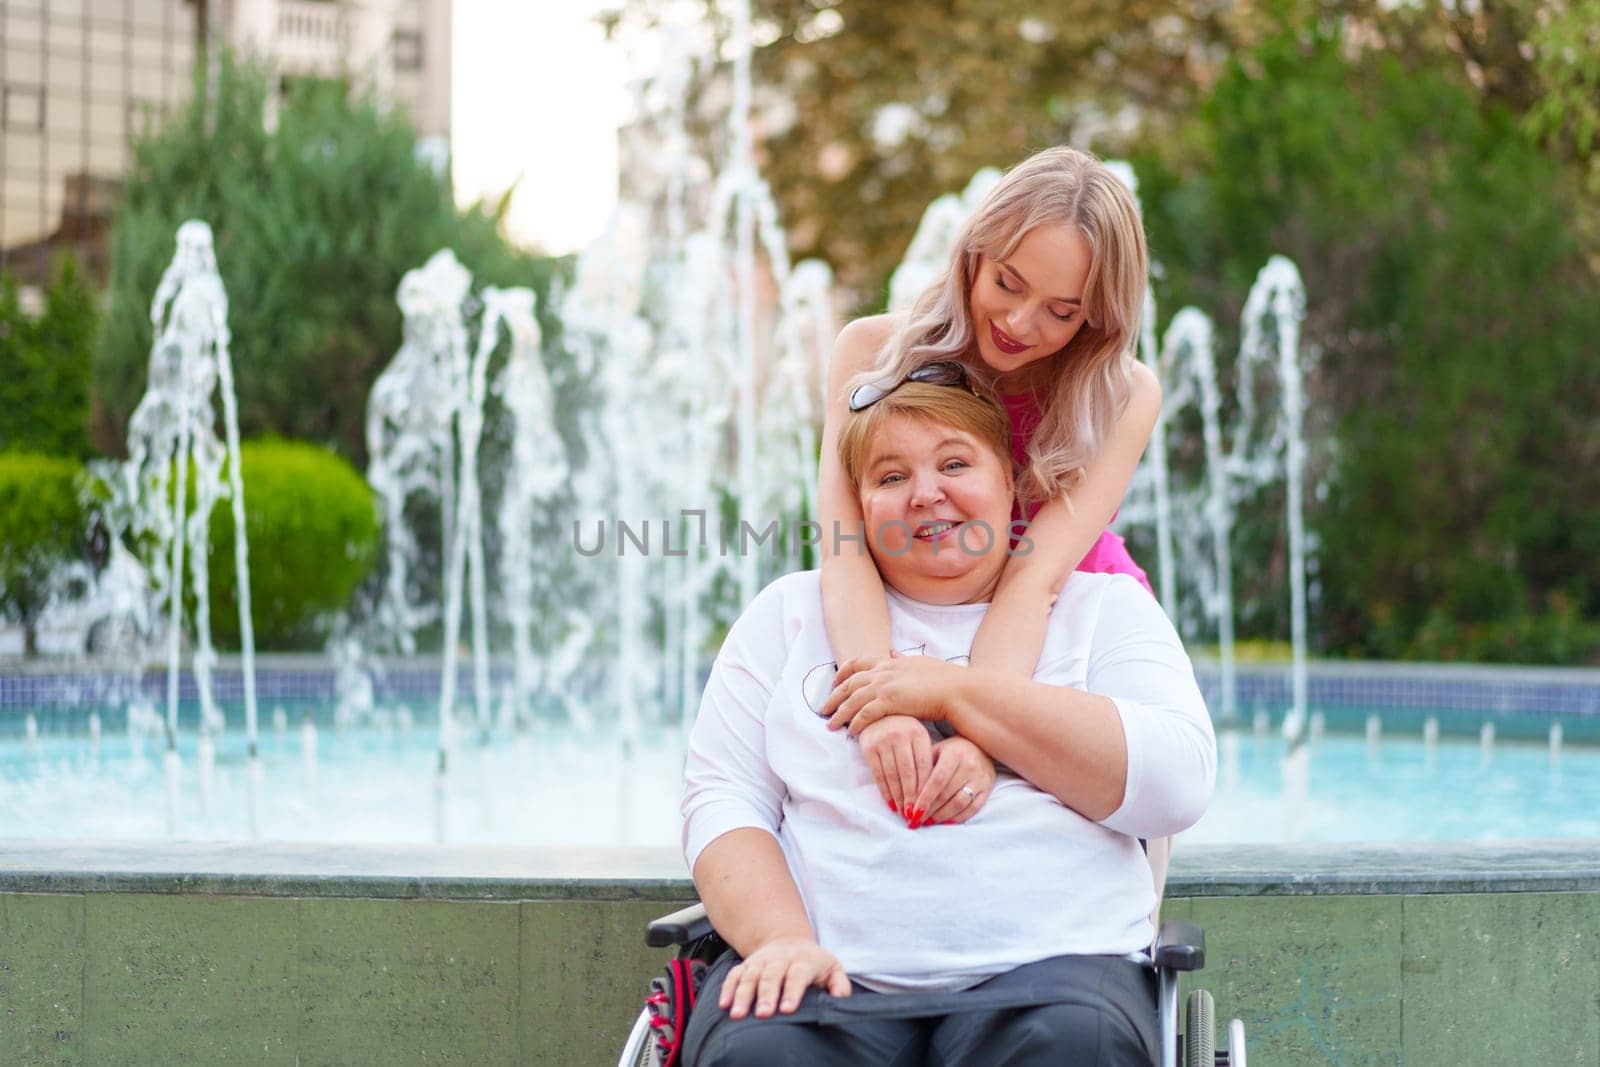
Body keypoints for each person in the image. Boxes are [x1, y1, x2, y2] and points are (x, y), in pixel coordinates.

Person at [679, 378, 1215, 1065]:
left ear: (1012, 483)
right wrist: (781, 938)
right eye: (891, 475)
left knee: (1078, 1046)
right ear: (859, 505)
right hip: (823, 970)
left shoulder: (1102, 610)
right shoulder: (788, 616)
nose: (925, 493)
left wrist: (957, 695)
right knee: (760, 1053)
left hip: (1055, 970)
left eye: (955, 463)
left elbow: (1178, 783)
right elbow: (721, 799)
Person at [817, 146, 1159, 825]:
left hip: (1073, 634)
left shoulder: (1124, 395)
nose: (1020, 322)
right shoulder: (869, 355)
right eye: (1007, 282)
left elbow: (1035, 581)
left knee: (1123, 858)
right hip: (914, 622)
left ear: (1096, 316)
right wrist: (880, 709)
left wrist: (980, 736)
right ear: (974, 253)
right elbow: (843, 543)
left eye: (1061, 312)